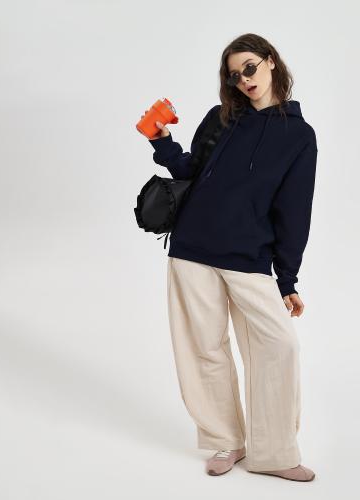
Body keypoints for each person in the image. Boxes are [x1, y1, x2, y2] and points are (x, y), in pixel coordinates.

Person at [147, 33, 318, 482]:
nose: (243, 80)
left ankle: (274, 453)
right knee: (205, 349)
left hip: (249, 257)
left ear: (271, 62)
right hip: (191, 249)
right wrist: (163, 141)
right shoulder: (222, 118)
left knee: (278, 347)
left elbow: (294, 211)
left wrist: (287, 279)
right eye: (234, 75)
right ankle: (227, 440)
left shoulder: (299, 136)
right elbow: (192, 171)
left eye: (250, 68)